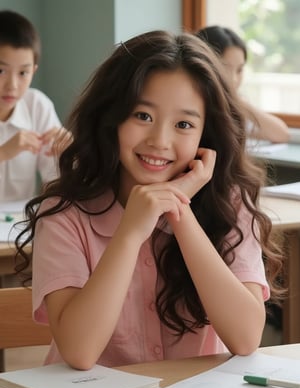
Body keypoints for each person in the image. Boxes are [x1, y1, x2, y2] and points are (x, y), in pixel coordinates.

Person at [15, 30, 283, 370]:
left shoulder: (229, 204)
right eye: (143, 116)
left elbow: (245, 338)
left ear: (207, 135)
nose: (160, 140)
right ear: (111, 116)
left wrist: (179, 212)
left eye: (184, 124)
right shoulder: (64, 213)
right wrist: (130, 232)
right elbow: (79, 352)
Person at [0, 10, 69, 202]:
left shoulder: (37, 106)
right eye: (1, 71)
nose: (12, 86)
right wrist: (3, 152)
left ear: (34, 71)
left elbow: (55, 183)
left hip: (18, 225)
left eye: (23, 73)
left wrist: (68, 156)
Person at [196, 25, 290, 143]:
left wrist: (237, 102)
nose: (234, 79)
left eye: (239, 70)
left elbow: (282, 134)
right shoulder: (193, 103)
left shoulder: (233, 108)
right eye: (225, 68)